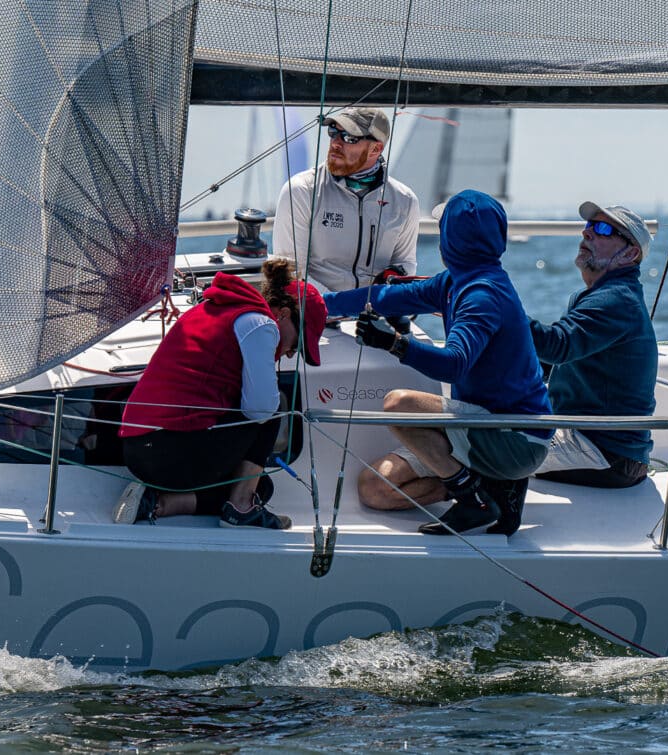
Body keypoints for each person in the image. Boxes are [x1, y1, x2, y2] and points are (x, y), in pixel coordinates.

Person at [322, 190, 553, 535]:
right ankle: (489, 489)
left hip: (515, 437)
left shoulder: (482, 295)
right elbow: (386, 297)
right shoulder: (456, 281)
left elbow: (453, 364)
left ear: (450, 239)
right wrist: (319, 303)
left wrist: (393, 343)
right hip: (483, 425)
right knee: (374, 488)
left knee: (399, 404)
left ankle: (473, 499)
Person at [114, 259, 327, 529]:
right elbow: (261, 409)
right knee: (270, 411)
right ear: (283, 314)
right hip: (166, 453)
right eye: (296, 345)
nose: (289, 353)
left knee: (262, 487)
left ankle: (157, 503)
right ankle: (240, 508)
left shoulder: (217, 307)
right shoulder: (261, 325)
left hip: (139, 450)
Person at [529, 202, 658, 488]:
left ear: (630, 253)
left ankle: (477, 505)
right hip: (587, 439)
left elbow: (557, 345)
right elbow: (554, 361)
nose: (587, 233)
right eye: (588, 226)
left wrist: (499, 309)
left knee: (487, 446)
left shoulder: (616, 299)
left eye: (603, 229)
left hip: (606, 453)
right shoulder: (594, 296)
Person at [272, 106, 420, 291]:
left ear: (376, 149)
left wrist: (390, 282)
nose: (336, 143)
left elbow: (405, 264)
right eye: (333, 132)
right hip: (318, 306)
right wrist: (340, 303)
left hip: (376, 306)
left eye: (349, 138)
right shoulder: (301, 190)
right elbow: (291, 272)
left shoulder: (405, 200)